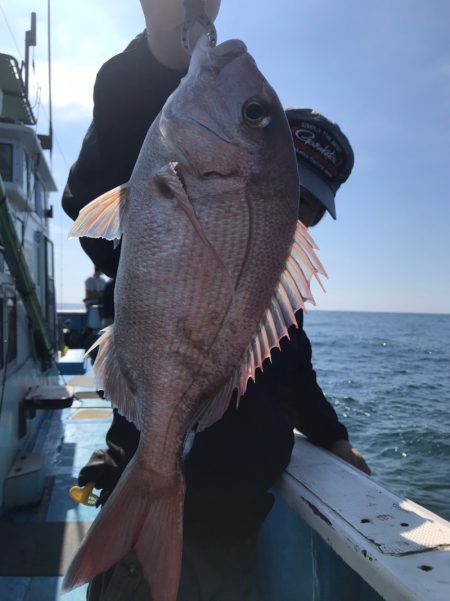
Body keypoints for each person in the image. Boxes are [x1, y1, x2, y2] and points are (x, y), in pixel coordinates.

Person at [62, 2, 369, 599]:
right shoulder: (163, 163)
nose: (294, 217)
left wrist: (331, 436)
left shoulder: (271, 298)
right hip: (149, 473)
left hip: (233, 520)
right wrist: (161, 47)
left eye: (310, 208)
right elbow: (99, 200)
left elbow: (293, 372)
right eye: (291, 193)